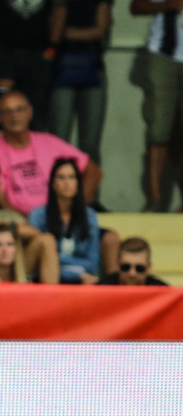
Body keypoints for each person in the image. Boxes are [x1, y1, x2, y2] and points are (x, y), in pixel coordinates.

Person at [0, 90, 101, 216]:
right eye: (7, 111)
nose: (14, 115)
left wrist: (74, 208)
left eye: (20, 109)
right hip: (21, 225)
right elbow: (0, 200)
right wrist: (32, 223)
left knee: (111, 236)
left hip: (63, 219)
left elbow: (94, 172)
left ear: (30, 112)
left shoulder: (49, 142)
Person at [0, 0, 64, 128]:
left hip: (37, 56)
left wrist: (52, 48)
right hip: (1, 54)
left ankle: (33, 147)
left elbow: (59, 10)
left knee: (35, 116)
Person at [130, 0, 183, 212]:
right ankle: (154, 199)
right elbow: (136, 7)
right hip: (163, 54)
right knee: (159, 129)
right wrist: (167, 5)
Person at [46, 0, 111, 166]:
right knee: (59, 140)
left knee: (90, 145)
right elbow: (48, 25)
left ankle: (89, 191)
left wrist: (64, 32)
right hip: (60, 68)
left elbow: (101, 30)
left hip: (91, 68)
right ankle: (58, 190)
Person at [28, 157, 100, 284]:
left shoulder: (90, 216)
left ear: (78, 183)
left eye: (72, 177)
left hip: (79, 279)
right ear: (53, 184)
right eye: (61, 177)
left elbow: (92, 264)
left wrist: (57, 262)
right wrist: (77, 273)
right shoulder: (37, 216)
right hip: (46, 281)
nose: (67, 182)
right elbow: (38, 265)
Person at [96, 237, 169, 286]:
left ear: (148, 268)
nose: (132, 273)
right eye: (126, 267)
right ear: (118, 265)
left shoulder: (163, 292)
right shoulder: (102, 288)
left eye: (139, 268)